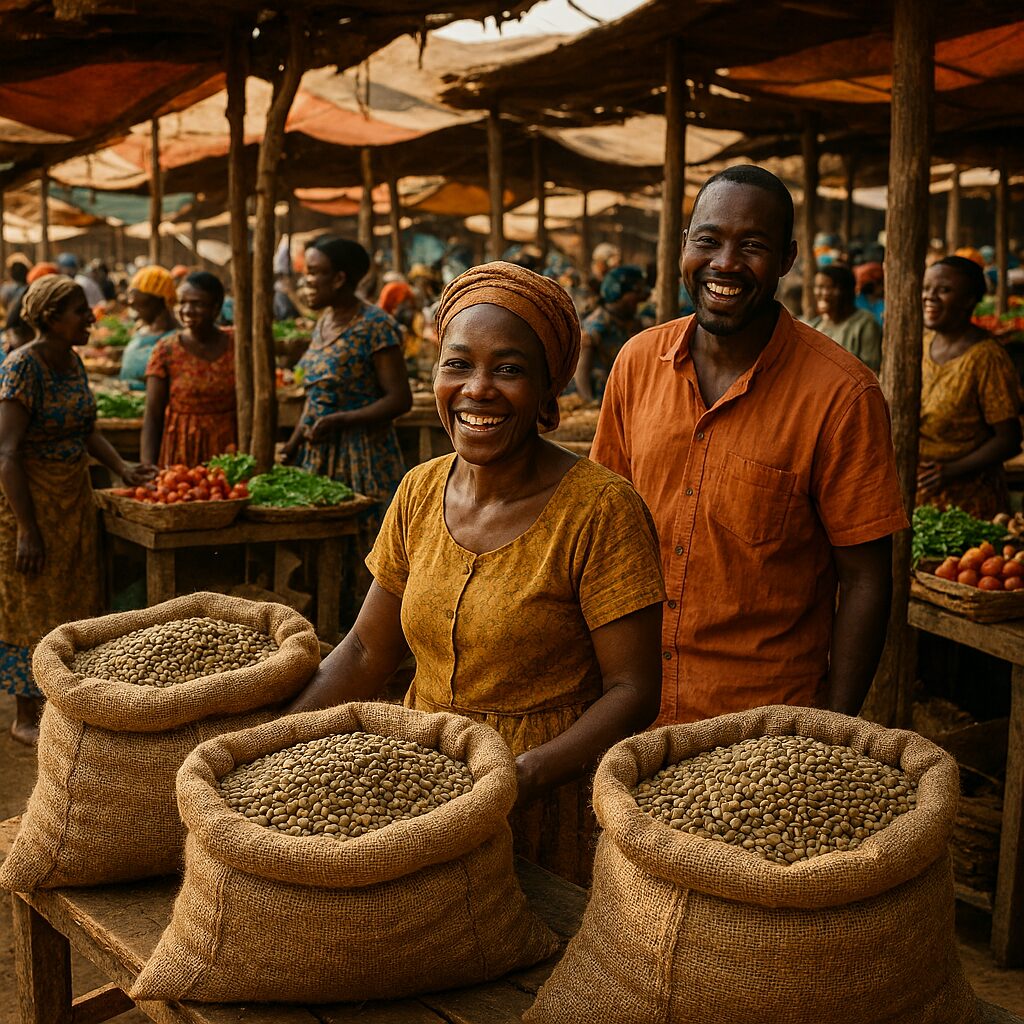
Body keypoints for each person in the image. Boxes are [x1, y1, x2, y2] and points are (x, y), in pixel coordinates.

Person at [286, 261, 665, 884]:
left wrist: (518, 778)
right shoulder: (420, 490)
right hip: (416, 786)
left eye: (508, 370)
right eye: (457, 364)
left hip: (546, 802)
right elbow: (364, 652)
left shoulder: (600, 509)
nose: (478, 389)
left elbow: (633, 690)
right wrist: (270, 738)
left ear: (547, 391)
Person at [591, 165, 908, 726]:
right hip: (628, 708)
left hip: (763, 728)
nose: (726, 263)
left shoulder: (843, 395)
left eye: (753, 246)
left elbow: (865, 578)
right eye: (708, 240)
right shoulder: (637, 362)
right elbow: (603, 531)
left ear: (786, 259)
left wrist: (832, 728)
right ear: (685, 245)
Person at [0, 277, 154, 743]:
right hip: (29, 502)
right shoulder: (21, 367)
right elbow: (6, 453)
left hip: (73, 498)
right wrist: (27, 528)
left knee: (74, 600)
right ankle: (26, 716)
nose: (90, 317)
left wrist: (122, 467)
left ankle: (65, 706)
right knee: (32, 603)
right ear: (50, 318)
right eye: (79, 311)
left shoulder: (72, 361)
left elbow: (87, 429)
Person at [283, 237, 412, 534]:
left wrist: (342, 420)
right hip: (318, 454)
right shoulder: (323, 323)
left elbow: (399, 399)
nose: (306, 281)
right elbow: (317, 396)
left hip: (363, 457)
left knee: (364, 537)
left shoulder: (375, 325)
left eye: (314, 272)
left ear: (339, 278)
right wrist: (293, 443)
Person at [917, 255, 1022, 519]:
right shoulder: (920, 343)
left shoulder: (986, 357)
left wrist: (951, 470)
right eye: (927, 288)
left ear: (968, 300)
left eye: (944, 290)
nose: (930, 297)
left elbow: (1009, 440)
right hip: (920, 500)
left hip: (971, 505)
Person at [141, 271, 236, 467]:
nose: (187, 310)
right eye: (182, 303)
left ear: (216, 307)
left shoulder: (236, 345)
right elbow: (152, 415)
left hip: (228, 448)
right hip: (181, 449)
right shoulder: (166, 350)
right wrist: (147, 465)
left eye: (197, 304)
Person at [574, 265, 648, 402]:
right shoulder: (595, 326)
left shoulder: (633, 322)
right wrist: (591, 403)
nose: (641, 297)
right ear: (617, 293)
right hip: (603, 398)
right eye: (636, 291)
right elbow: (581, 372)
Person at [809, 264, 883, 374]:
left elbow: (869, 370)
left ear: (847, 292)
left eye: (830, 287)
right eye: (819, 287)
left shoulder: (865, 323)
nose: (824, 293)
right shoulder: (815, 326)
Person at [119, 266, 179, 391]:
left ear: (158, 299)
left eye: (136, 292)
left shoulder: (176, 340)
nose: (131, 301)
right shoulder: (142, 330)